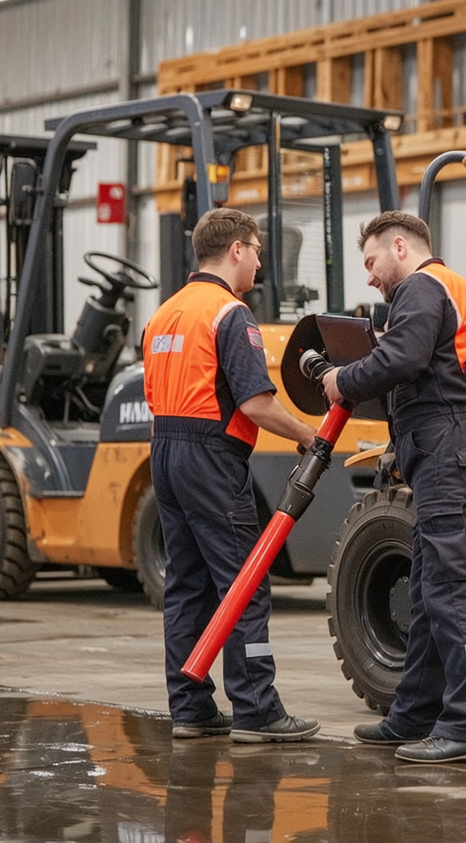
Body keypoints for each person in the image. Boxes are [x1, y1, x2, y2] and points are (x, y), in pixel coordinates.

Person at [322, 211, 466, 765]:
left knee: (450, 591)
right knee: (428, 587)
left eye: (370, 262)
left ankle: (464, 725)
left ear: (399, 246)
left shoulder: (420, 286)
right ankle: (414, 713)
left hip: (449, 451)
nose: (370, 277)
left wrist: (341, 379)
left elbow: (401, 357)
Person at [144, 207, 320, 744]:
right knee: (244, 584)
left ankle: (190, 708)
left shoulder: (165, 314)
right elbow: (257, 404)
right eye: (258, 250)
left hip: (165, 453)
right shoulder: (229, 313)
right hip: (210, 459)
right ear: (236, 249)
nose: (261, 262)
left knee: (186, 586)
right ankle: (257, 709)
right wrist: (308, 435)